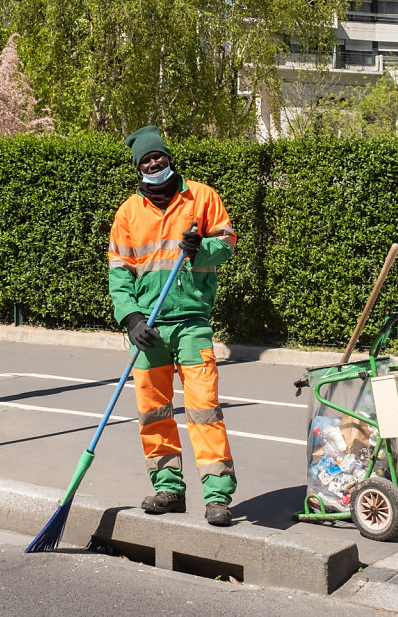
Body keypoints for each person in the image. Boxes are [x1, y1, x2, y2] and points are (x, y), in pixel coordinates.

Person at [107, 125, 238, 527]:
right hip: (149, 328)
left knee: (204, 409)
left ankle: (217, 496)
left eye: (157, 156)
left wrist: (202, 248)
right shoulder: (128, 212)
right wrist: (130, 319)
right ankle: (169, 489)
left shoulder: (201, 197)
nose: (153, 163)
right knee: (153, 412)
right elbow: (119, 271)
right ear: (139, 167)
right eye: (146, 160)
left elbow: (228, 244)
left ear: (168, 158)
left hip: (191, 321)